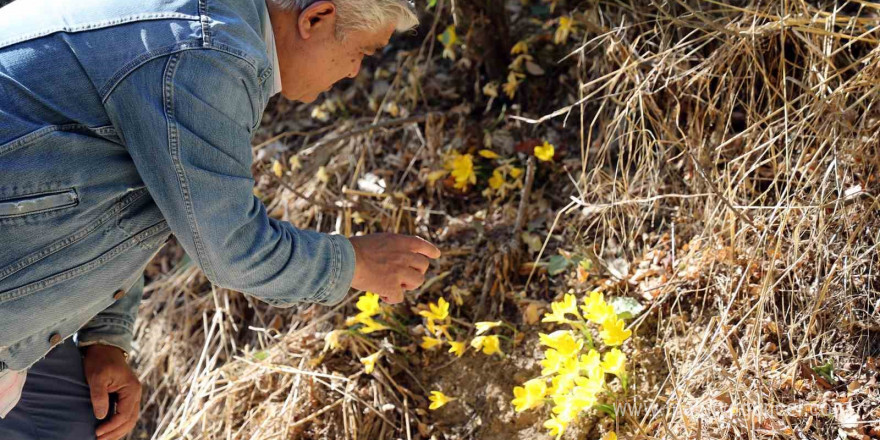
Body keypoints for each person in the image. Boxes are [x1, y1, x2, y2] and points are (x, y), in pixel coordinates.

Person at [0, 0, 438, 439]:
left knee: (75, 421)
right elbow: (233, 248)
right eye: (362, 51)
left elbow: (121, 196)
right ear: (316, 18)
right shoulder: (206, 51)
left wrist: (105, 336)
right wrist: (356, 263)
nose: (353, 72)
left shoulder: (206, 28)